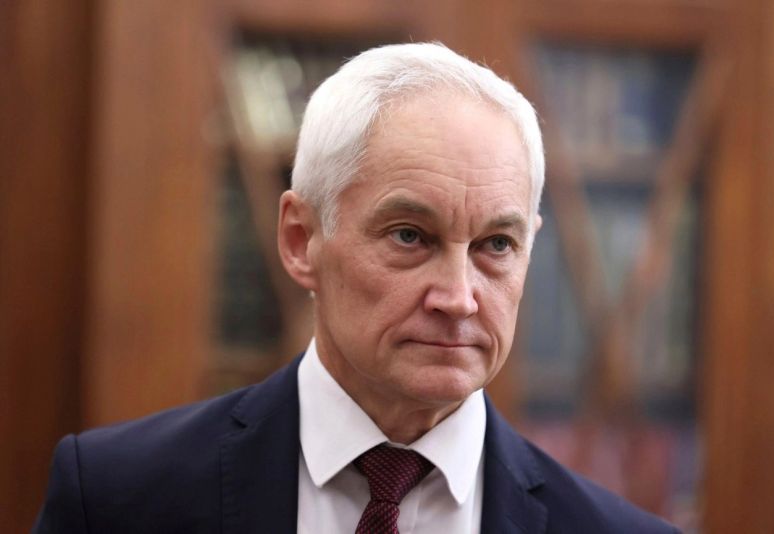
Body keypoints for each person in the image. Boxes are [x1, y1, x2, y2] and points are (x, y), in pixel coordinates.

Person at [34, 42, 679, 533]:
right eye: (410, 237)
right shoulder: (115, 497)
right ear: (301, 240)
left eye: (495, 246)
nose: (459, 298)